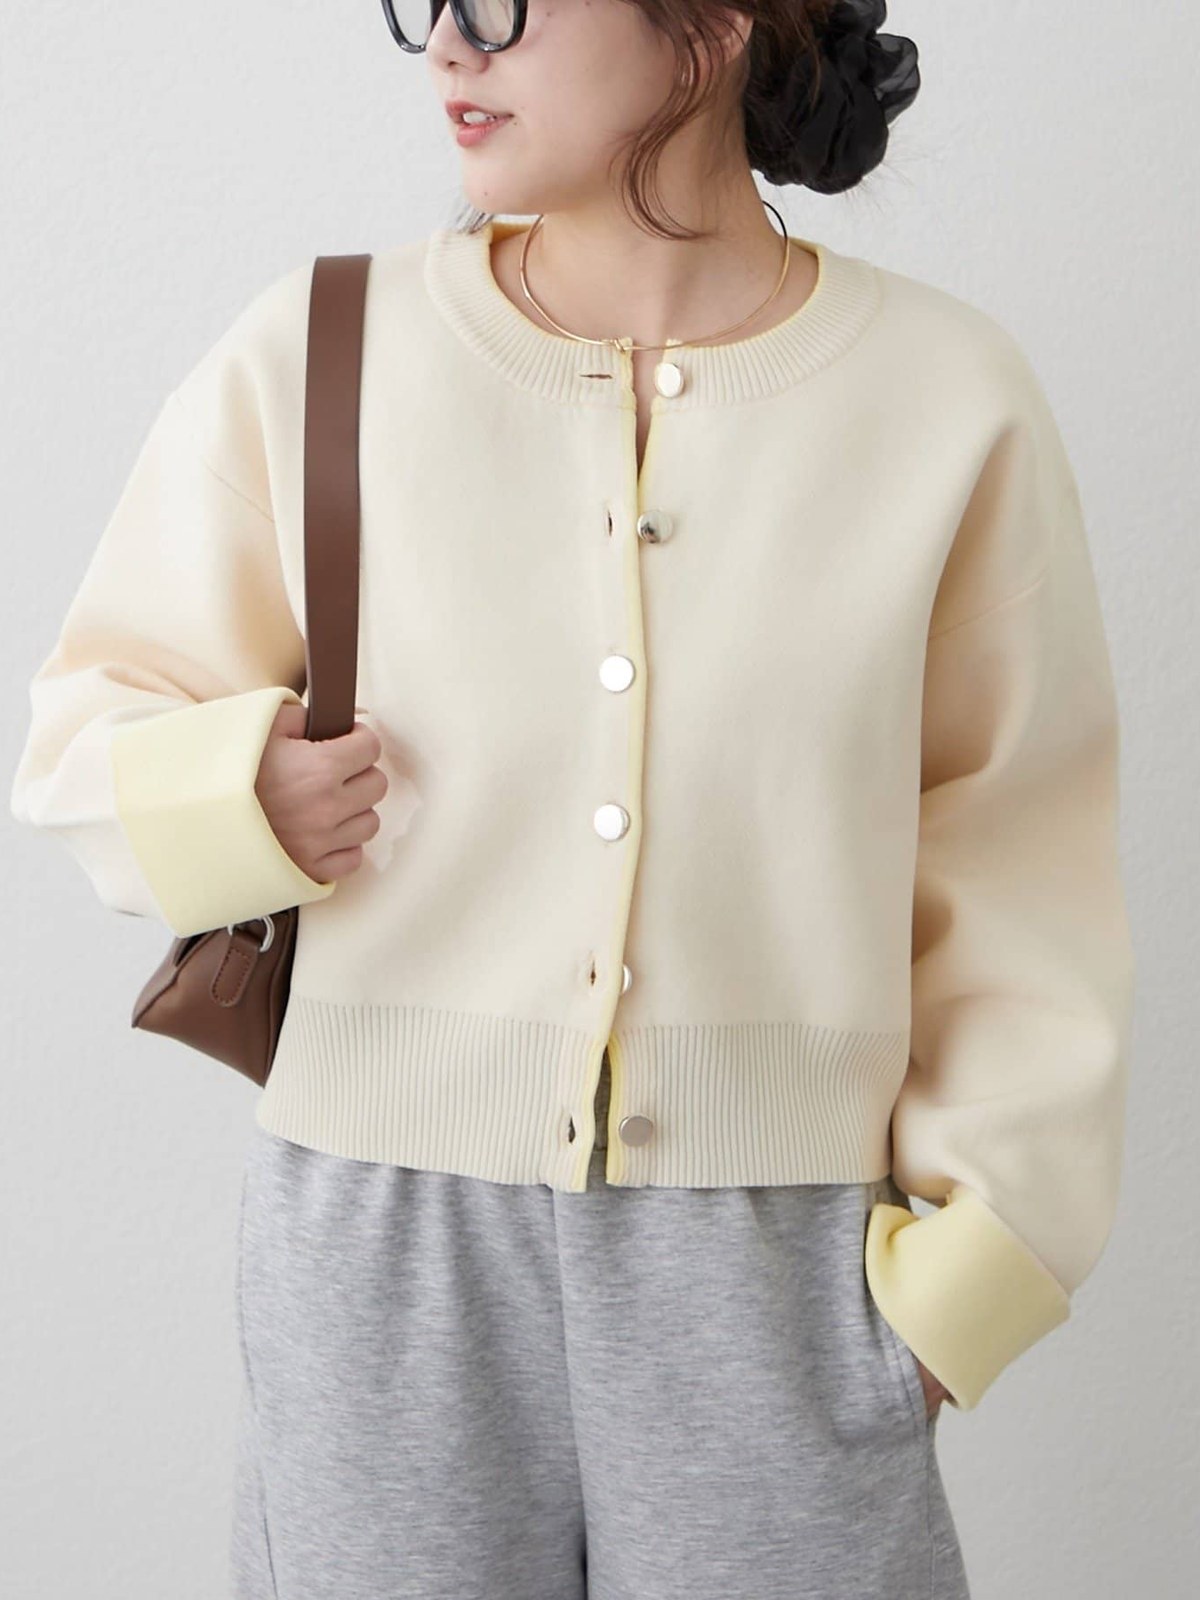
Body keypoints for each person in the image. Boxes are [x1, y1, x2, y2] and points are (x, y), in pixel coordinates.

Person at [9, 2, 1136, 1597]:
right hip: (385, 1263)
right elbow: (83, 732)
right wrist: (234, 790)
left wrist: (971, 1279)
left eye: (508, 1)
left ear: (717, 25)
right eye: (430, 4)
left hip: (782, 1268)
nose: (450, 47)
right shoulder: (321, 349)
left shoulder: (947, 397)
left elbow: (1020, 860)